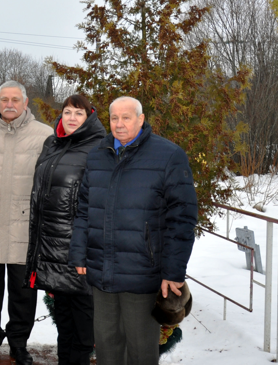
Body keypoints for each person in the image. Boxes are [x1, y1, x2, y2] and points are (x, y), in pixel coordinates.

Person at [69, 96, 198, 365]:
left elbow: (182, 218)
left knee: (140, 350)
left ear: (140, 119)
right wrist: (79, 252)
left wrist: (173, 272)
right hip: (102, 271)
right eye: (114, 118)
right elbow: (84, 209)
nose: (119, 124)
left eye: (126, 117)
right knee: (106, 346)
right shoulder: (97, 155)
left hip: (143, 271)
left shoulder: (169, 156)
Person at [0, 80, 54, 365]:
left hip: (24, 230)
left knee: (22, 295)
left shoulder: (44, 135)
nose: (9, 104)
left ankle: (19, 344)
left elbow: (48, 181)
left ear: (25, 102)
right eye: (4, 99)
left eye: (15, 99)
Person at [24, 94, 106, 365]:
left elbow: (100, 203)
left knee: (83, 327)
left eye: (79, 113)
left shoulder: (99, 147)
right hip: (52, 250)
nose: (72, 118)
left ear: (89, 116)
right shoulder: (52, 143)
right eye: (68, 112)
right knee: (65, 324)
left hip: (80, 251)